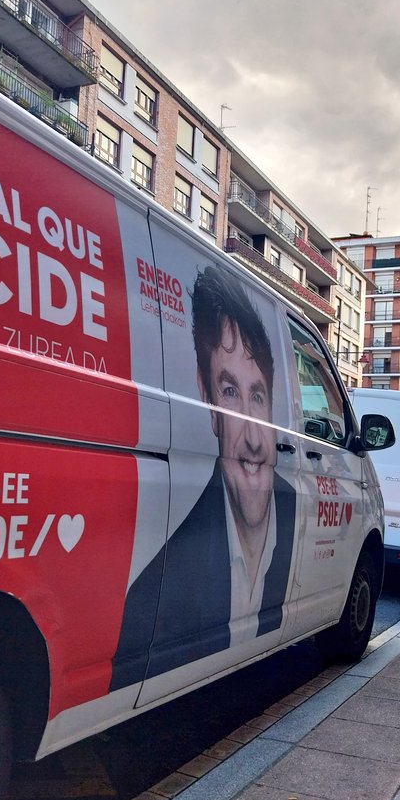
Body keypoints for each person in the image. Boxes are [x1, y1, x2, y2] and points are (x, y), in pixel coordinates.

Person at [109, 266, 296, 689]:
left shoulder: (297, 509)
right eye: (230, 393)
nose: (251, 436)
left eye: (258, 396)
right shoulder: (152, 591)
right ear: (209, 403)